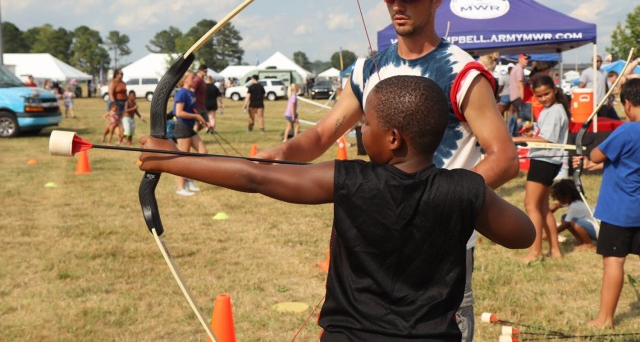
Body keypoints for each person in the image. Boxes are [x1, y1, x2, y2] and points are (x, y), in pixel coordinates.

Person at [138, 76, 535, 341]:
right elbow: (523, 234)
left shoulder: (351, 179)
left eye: (367, 125)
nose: (361, 133)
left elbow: (256, 177)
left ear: (393, 138)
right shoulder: (464, 189)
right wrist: (470, 196)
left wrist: (169, 160)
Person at [255, 0, 519, 341]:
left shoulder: (464, 73)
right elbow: (324, 134)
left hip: (440, 249)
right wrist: (279, 156)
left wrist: (446, 203)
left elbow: (505, 158)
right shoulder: (368, 69)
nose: (397, 5)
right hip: (375, 243)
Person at [576, 78, 640, 329]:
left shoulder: (626, 130)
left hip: (619, 211)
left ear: (627, 103)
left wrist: (592, 157)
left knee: (614, 262)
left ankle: (605, 319)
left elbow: (595, 154)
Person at [512, 75, 570, 262]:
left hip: (545, 160)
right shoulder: (550, 110)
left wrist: (519, 139)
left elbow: (548, 140)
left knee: (531, 205)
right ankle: (555, 251)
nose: (544, 98)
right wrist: (532, 132)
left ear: (554, 90)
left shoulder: (554, 111)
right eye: (539, 96)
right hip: (546, 160)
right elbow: (544, 134)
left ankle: (535, 251)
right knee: (543, 207)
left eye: (546, 93)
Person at [173, 70, 209, 196]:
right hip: (182, 127)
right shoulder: (182, 93)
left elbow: (193, 111)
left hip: (189, 128)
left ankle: (188, 180)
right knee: (183, 158)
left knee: (203, 152)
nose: (194, 80)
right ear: (185, 79)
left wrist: (202, 120)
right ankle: (180, 187)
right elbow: (179, 113)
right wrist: (196, 116)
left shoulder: (190, 93)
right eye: (192, 78)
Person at [549, 179, 598, 249]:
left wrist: (551, 234)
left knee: (572, 221)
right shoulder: (576, 203)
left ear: (567, 197)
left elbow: (565, 225)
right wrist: (557, 206)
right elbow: (561, 205)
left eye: (559, 198)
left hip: (596, 231)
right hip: (594, 228)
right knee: (565, 217)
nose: (557, 200)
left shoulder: (574, 207)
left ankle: (588, 243)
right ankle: (580, 240)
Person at [108, 68, 127, 143]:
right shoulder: (113, 82)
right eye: (120, 73)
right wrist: (114, 103)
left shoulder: (123, 82)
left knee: (121, 121)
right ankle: (119, 138)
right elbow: (111, 93)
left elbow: (125, 93)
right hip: (116, 103)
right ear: (116, 74)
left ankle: (121, 137)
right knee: (115, 122)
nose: (121, 75)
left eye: (122, 73)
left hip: (123, 103)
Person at [192, 64, 208, 132]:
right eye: (205, 71)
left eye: (207, 71)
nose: (206, 72)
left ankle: (192, 135)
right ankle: (192, 138)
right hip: (197, 105)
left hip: (202, 105)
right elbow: (192, 91)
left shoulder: (202, 80)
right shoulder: (197, 80)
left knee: (206, 123)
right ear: (200, 70)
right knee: (197, 123)